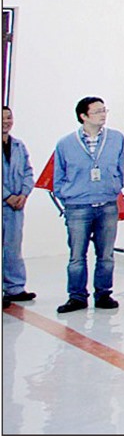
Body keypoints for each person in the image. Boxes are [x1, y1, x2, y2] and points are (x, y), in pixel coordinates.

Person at [51, 97, 124, 313]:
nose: (103, 115)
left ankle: (103, 294)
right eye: (97, 111)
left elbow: (119, 169)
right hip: (78, 207)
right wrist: (68, 198)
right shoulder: (65, 144)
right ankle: (76, 296)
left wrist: (114, 187)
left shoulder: (116, 139)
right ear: (83, 116)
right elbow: (58, 178)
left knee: (106, 255)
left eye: (104, 110)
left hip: (107, 205)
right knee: (77, 255)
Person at [3, 106, 35, 305]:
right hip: (5, 201)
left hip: (16, 207)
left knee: (13, 248)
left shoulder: (18, 146)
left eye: (9, 117)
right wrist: (7, 196)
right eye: (2, 118)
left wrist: (23, 194)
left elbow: (28, 171)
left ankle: (15, 288)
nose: (6, 121)